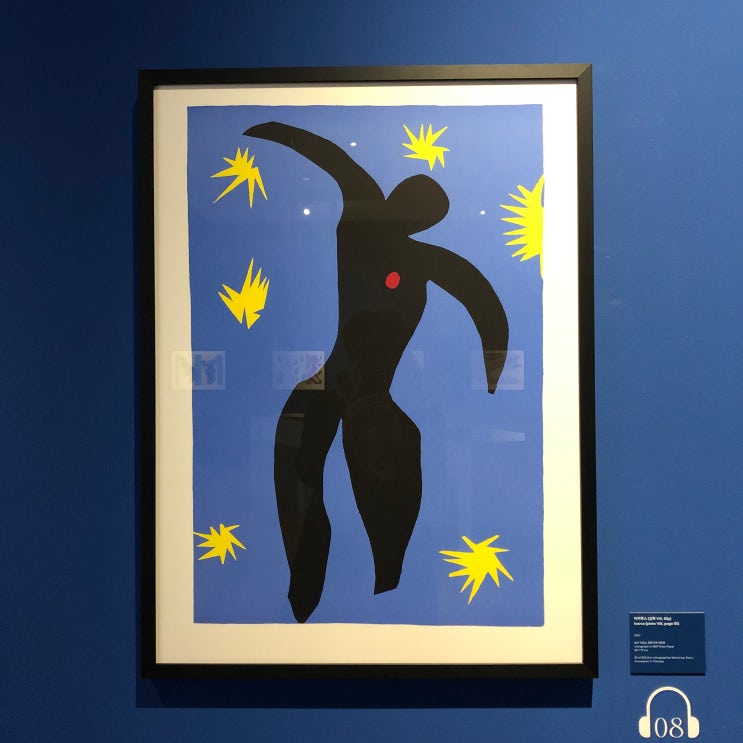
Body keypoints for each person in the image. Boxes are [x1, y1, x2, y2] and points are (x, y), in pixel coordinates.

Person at [246, 122, 509, 622]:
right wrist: (278, 132)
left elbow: (484, 304)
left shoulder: (416, 252)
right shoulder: (369, 221)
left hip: (361, 392)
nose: (420, 217)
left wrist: (495, 365)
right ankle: (311, 590)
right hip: (340, 382)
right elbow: (483, 303)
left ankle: (372, 584)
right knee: (302, 473)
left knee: (371, 487)